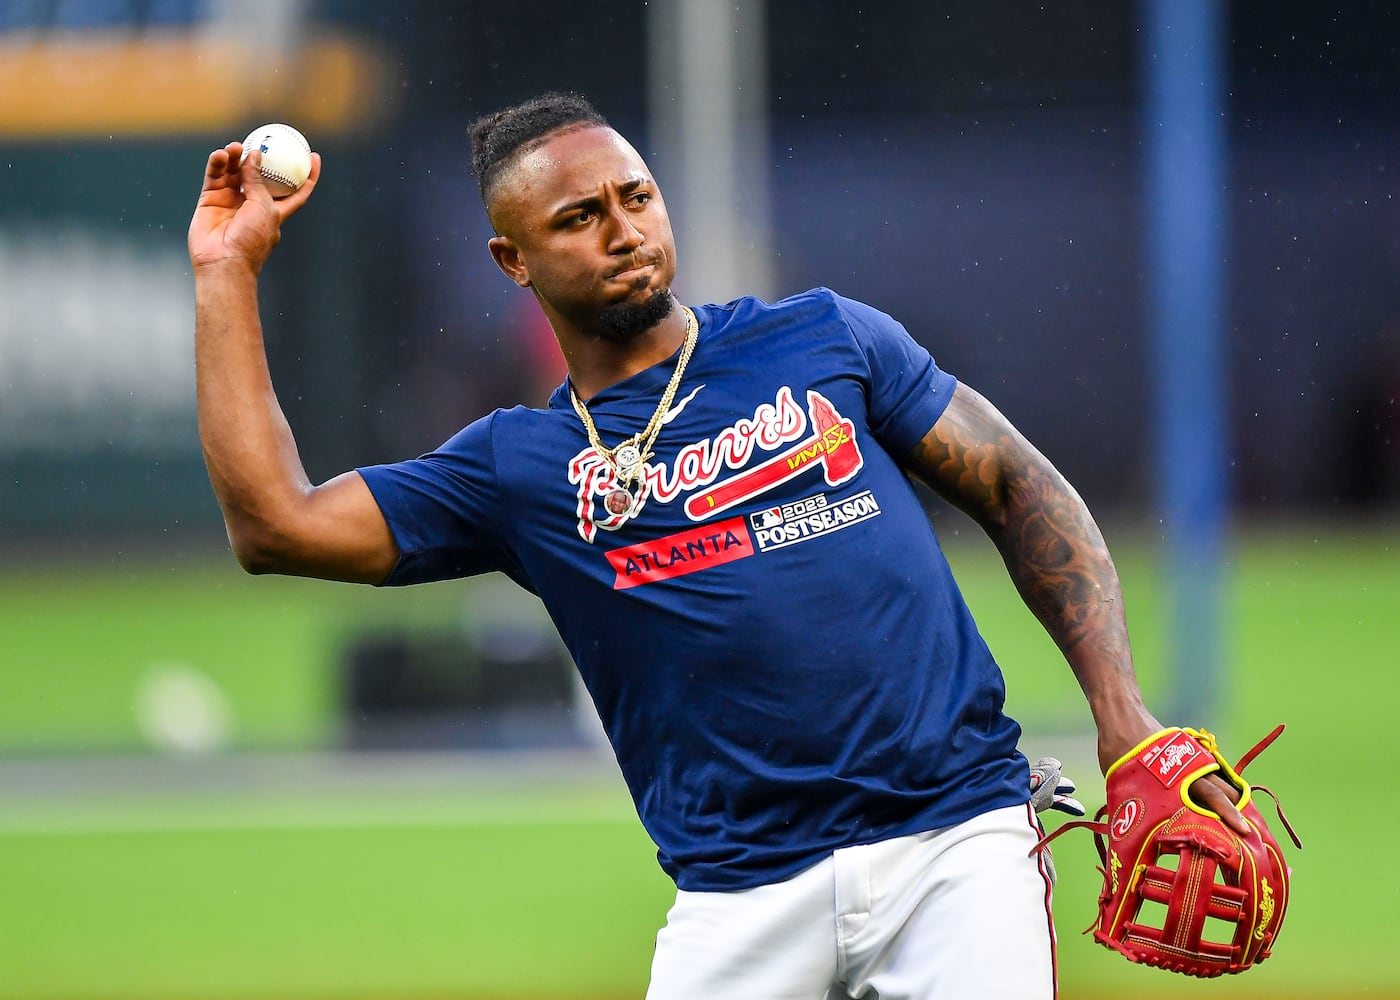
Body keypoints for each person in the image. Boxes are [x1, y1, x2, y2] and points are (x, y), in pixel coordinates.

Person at [189, 92, 1250, 999]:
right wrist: (227, 273)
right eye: (579, 217)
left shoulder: (825, 338)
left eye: (637, 197)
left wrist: (1123, 719)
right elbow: (274, 523)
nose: (624, 229)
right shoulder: (519, 466)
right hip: (740, 894)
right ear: (512, 259)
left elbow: (1022, 488)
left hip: (954, 841)